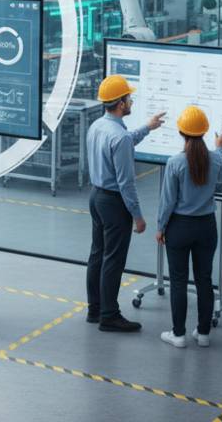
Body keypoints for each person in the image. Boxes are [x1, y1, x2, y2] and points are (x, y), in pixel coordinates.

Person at [86, 74, 165, 332]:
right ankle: (110, 316)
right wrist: (138, 217)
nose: (131, 101)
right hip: (113, 203)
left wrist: (147, 127)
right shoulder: (118, 137)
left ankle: (95, 309)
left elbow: (125, 140)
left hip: (96, 197)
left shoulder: (98, 126)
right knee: (113, 260)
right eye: (129, 98)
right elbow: (127, 184)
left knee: (98, 254)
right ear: (120, 103)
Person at [157, 106, 222, 349]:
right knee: (204, 279)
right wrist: (220, 148)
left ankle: (178, 335)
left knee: (178, 281)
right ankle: (204, 334)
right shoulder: (215, 159)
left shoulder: (175, 162)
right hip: (206, 227)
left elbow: (167, 201)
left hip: (180, 227)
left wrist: (160, 227)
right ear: (204, 132)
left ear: (181, 132)